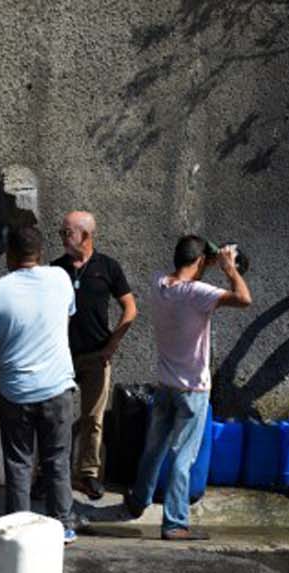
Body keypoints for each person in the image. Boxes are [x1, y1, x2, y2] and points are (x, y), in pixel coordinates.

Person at [124, 237, 252, 540]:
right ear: (198, 263)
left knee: (154, 448)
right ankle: (175, 522)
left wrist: (205, 261)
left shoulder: (159, 283)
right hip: (193, 389)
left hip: (166, 385)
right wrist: (230, 269)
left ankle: (139, 499)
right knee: (184, 456)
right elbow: (244, 298)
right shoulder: (198, 293)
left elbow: (185, 275)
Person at [0, 224, 79, 543]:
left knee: (18, 463)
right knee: (57, 460)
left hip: (15, 392)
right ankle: (63, 526)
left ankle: (19, 529)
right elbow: (65, 319)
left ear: (10, 255)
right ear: (40, 253)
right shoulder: (61, 279)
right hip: (57, 388)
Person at [52, 211, 138, 501]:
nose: (63, 238)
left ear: (86, 236)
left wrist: (112, 346)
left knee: (93, 418)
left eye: (68, 233)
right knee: (55, 417)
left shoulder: (108, 267)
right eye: (61, 233)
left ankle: (88, 474)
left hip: (95, 356)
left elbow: (130, 308)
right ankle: (49, 473)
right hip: (61, 356)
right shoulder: (56, 269)